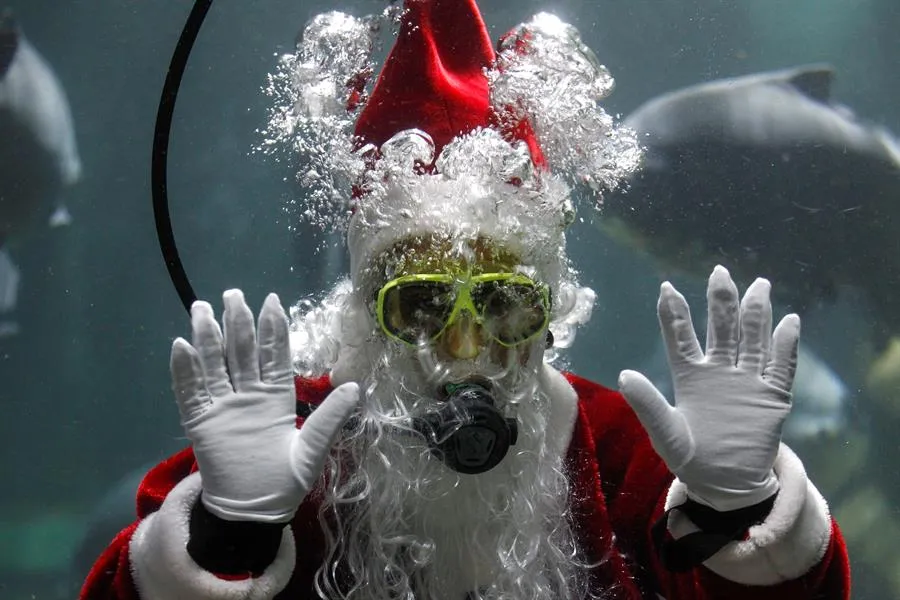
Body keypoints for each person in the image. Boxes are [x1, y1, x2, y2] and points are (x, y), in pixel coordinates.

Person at [80, 0, 851, 598]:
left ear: (550, 312)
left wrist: (738, 514)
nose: (463, 348)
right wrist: (228, 533)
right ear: (364, 313)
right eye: (419, 305)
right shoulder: (278, 452)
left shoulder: (622, 454)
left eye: (503, 304)